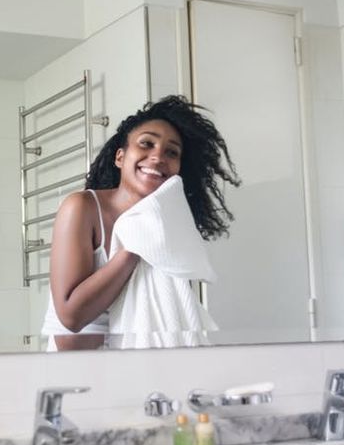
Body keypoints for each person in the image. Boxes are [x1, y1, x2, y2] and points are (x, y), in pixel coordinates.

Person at [40, 95, 240, 351]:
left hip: (138, 366)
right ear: (120, 157)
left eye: (172, 152)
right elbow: (71, 316)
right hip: (76, 372)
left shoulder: (167, 224)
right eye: (146, 144)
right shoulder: (82, 207)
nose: (158, 157)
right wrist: (136, 247)